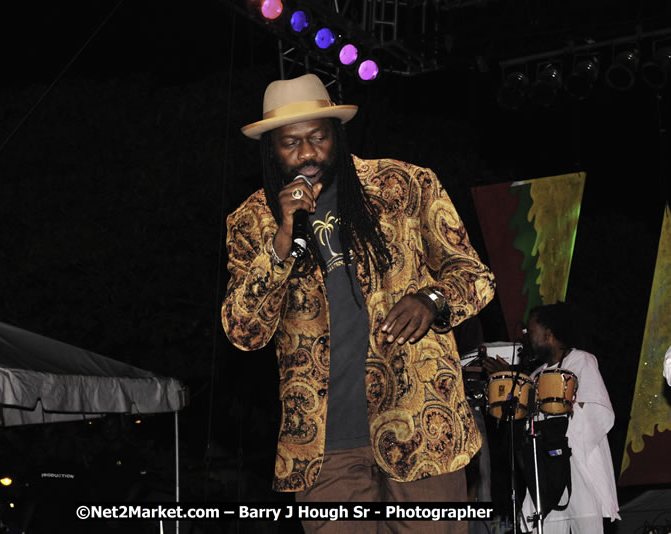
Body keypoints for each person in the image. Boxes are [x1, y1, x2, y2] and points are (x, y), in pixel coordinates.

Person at [221, 73, 496, 533]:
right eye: (290, 143)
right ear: (271, 149)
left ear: (337, 134)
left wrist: (432, 298)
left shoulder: (404, 186)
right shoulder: (252, 220)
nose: (306, 153)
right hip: (323, 448)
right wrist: (282, 241)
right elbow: (243, 331)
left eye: (317, 138)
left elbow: (475, 275)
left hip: (420, 422)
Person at [517, 303, 620, 533]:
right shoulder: (535, 375)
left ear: (549, 334)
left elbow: (597, 410)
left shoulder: (581, 361)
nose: (527, 338)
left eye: (531, 332)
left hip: (576, 461)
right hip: (546, 464)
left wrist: (558, 418)